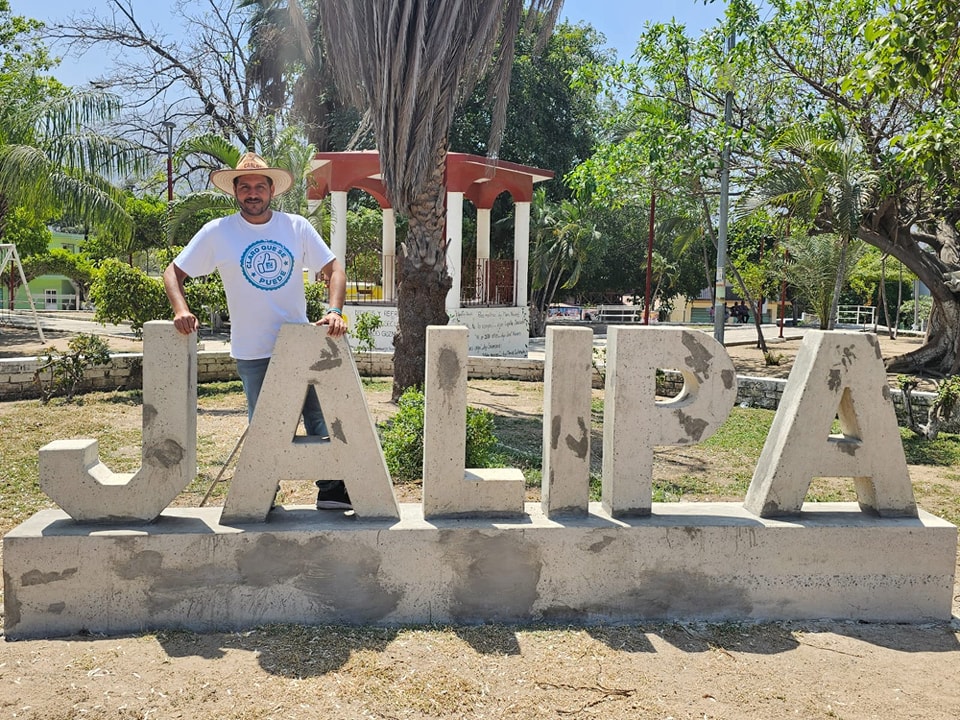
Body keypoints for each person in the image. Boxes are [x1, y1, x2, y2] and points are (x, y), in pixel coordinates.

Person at [163, 152, 351, 510]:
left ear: (271, 191)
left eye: (259, 187)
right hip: (253, 350)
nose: (253, 193)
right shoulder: (218, 232)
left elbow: (334, 269)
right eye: (245, 186)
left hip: (299, 343)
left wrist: (333, 311)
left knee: (318, 415)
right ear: (235, 191)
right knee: (265, 424)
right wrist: (181, 310)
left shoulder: (296, 227)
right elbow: (173, 273)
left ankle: (332, 489)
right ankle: (263, 491)